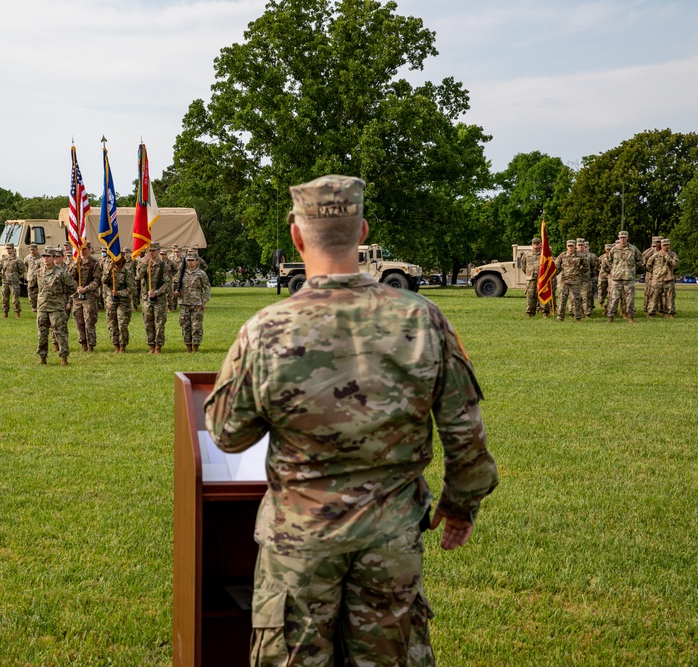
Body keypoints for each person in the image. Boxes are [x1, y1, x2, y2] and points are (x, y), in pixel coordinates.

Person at [204, 175, 498, 666]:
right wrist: (461, 505)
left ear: (298, 239)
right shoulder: (423, 319)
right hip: (391, 539)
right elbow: (465, 435)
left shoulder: (267, 329)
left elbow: (227, 434)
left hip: (299, 541)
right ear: (361, 232)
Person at [35, 246, 77, 365]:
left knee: (60, 333)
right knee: (42, 333)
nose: (45, 258)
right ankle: (42, 358)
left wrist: (62, 297)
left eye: (48, 256)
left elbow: (73, 287)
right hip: (42, 307)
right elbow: (34, 287)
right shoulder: (39, 272)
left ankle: (64, 358)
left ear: (54, 258)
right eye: (44, 256)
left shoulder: (61, 273)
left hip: (57, 308)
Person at [137, 242, 171, 354]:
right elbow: (138, 276)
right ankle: (151, 345)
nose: (151, 252)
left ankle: (158, 346)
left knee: (159, 323)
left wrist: (156, 292)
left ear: (159, 251)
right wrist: (144, 262)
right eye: (150, 250)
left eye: (154, 250)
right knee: (148, 322)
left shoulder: (164, 266)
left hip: (159, 300)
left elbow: (167, 283)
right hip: (146, 299)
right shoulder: (144, 264)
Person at [175, 250, 210, 351]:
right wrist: (176, 292)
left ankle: (195, 347)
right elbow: (176, 285)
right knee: (185, 326)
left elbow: (207, 288)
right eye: (188, 260)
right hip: (184, 303)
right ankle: (188, 347)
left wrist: (204, 301)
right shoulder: (181, 273)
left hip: (196, 304)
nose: (190, 262)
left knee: (196, 326)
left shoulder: (201, 274)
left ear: (197, 261)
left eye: (192, 260)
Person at [606, 231, 645, 324]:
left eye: (624, 237)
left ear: (627, 238)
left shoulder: (633, 249)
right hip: (616, 278)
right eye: (621, 237)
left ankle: (631, 317)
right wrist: (615, 269)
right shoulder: (614, 249)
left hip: (629, 278)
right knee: (613, 298)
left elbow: (640, 260)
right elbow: (608, 261)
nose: (622, 239)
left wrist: (632, 268)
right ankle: (610, 317)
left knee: (630, 299)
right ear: (618, 238)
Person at [69, 244, 102, 351]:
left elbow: (97, 281)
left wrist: (86, 288)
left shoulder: (94, 263)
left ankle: (91, 345)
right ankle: (83, 343)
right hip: (77, 297)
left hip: (89, 296)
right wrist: (75, 264)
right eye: (80, 249)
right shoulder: (75, 262)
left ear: (89, 249)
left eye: (84, 249)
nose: (82, 251)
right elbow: (70, 277)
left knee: (89, 321)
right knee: (79, 321)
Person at [104, 252, 136, 352]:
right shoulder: (110, 271)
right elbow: (104, 281)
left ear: (122, 260)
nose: (115, 261)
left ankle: (123, 345)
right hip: (111, 301)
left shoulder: (127, 272)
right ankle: (116, 345)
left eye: (117, 258)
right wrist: (109, 269)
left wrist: (119, 293)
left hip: (123, 302)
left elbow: (131, 288)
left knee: (122, 324)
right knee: (112, 324)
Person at [645, 239, 679, 318]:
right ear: (661, 246)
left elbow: (674, 263)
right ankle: (651, 313)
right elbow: (649, 264)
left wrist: (667, 256)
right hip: (657, 279)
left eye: (667, 245)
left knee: (670, 297)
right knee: (654, 297)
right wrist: (654, 272)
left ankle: (671, 313)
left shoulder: (672, 254)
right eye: (664, 245)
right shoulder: (656, 255)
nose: (666, 247)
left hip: (668, 279)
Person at [554, 240, 584, 322]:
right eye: (569, 246)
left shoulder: (580, 256)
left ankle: (578, 317)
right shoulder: (562, 256)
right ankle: (560, 317)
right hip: (565, 281)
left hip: (575, 282)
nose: (570, 248)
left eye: (572, 246)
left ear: (575, 246)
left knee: (576, 300)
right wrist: (552, 273)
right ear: (567, 247)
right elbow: (556, 267)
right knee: (562, 300)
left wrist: (580, 275)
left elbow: (586, 267)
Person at [520, 237, 545, 318]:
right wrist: (529, 274)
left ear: (540, 245)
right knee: (530, 296)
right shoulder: (527, 255)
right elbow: (523, 266)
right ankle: (530, 313)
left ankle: (545, 312)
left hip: (541, 279)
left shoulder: (543, 255)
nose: (536, 245)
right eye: (534, 244)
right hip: (531, 280)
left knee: (542, 296)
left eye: (537, 244)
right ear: (532, 244)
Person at [642, 236, 662, 313]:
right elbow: (643, 262)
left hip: (661, 276)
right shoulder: (649, 252)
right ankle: (647, 308)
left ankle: (660, 309)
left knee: (661, 294)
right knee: (648, 292)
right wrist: (649, 270)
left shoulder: (665, 252)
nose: (658, 244)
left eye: (659, 242)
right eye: (656, 242)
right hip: (650, 276)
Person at [24, 243, 42, 313]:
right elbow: (24, 266)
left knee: (40, 293)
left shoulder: (41, 258)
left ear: (37, 249)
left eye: (33, 250)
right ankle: (34, 307)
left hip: (39, 279)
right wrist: (27, 273)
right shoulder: (28, 258)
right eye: (31, 250)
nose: (32, 251)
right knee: (31, 294)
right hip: (31, 279)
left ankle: (40, 306)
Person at [598, 243, 613, 309]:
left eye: (610, 249)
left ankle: (608, 305)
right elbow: (597, 265)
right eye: (607, 249)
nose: (608, 250)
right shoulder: (601, 257)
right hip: (603, 275)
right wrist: (600, 270)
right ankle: (601, 301)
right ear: (605, 249)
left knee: (611, 290)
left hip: (611, 275)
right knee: (602, 290)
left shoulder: (613, 256)